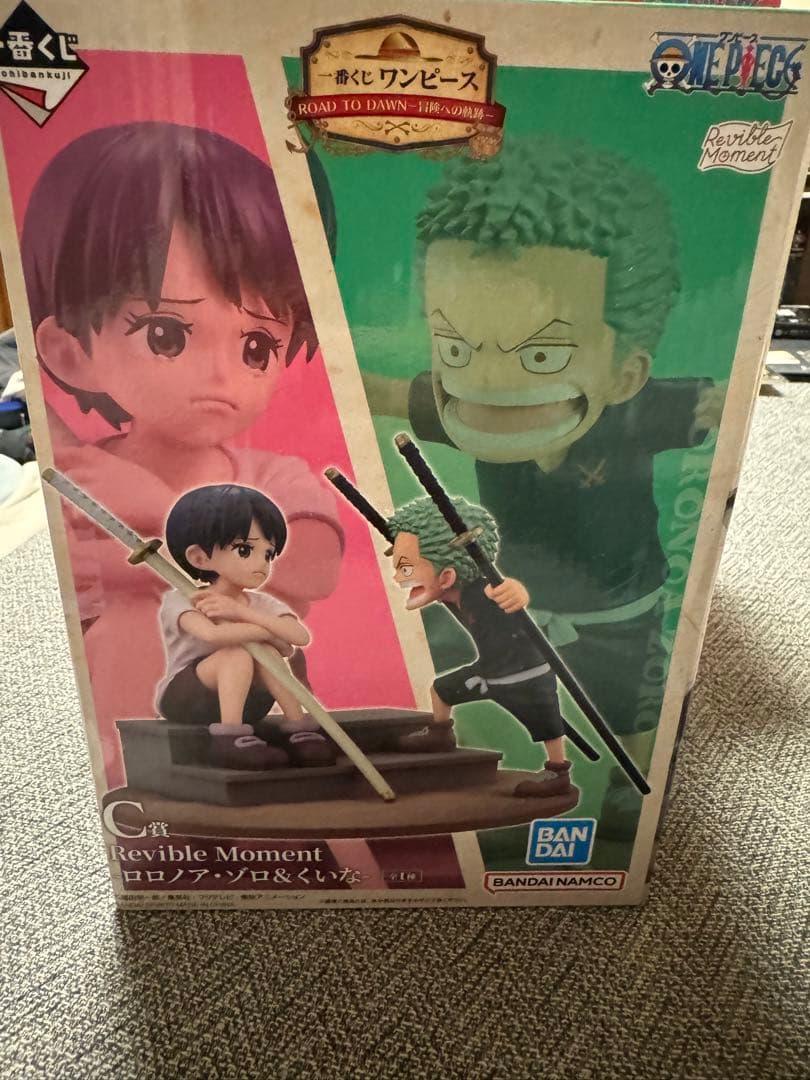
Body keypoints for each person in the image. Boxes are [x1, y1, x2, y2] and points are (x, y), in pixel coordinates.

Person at [364, 136, 724, 833]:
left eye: (542, 355)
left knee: (628, 697)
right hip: (511, 592)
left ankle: (630, 779)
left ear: (626, 373)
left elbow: (722, 402)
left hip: (617, 604)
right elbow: (376, 390)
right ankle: (441, 739)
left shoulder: (641, 409)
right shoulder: (462, 407)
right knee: (453, 656)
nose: (491, 380)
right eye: (457, 347)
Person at [20, 122, 344, 784]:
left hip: (265, 712)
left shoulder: (271, 477)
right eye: (166, 334)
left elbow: (314, 570)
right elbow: (70, 608)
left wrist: (160, 511)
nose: (221, 377)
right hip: (132, 734)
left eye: (256, 345)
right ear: (70, 353)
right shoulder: (84, 484)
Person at [387, 494, 575, 801]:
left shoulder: (484, 589)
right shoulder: (452, 591)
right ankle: (440, 734)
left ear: (447, 575)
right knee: (442, 689)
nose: (397, 578)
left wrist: (517, 592)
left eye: (405, 569)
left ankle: (558, 773)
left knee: (548, 726)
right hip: (488, 672)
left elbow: (504, 588)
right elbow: (441, 589)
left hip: (526, 675)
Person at [158, 483, 335, 769]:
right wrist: (271, 633)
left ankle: (299, 728)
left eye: (268, 554)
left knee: (268, 653)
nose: (262, 564)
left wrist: (241, 612)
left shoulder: (260, 604)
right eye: (245, 550)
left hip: (251, 702)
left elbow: (299, 637)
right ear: (200, 557)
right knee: (239, 653)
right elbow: (214, 635)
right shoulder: (185, 599)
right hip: (189, 698)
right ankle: (229, 738)